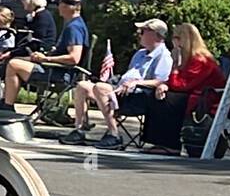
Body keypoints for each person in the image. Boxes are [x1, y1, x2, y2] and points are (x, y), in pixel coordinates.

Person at [60, 18, 174, 149]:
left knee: (101, 88)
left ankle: (114, 134)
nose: (139, 34)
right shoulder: (140, 54)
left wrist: (137, 83)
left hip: (138, 97)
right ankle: (79, 129)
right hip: (121, 91)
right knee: (82, 86)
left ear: (155, 34)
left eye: (142, 31)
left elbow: (161, 81)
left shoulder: (163, 56)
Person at [142, 22, 224, 155]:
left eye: (176, 38)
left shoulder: (202, 60)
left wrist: (175, 66)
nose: (173, 41)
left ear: (185, 39)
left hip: (206, 99)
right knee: (156, 95)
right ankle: (158, 142)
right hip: (191, 95)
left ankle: (171, 144)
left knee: (169, 101)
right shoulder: (189, 59)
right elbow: (175, 83)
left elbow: (182, 85)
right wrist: (163, 85)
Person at [0, 0, 88, 112]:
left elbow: (74, 58)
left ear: (65, 6)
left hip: (60, 74)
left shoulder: (74, 28)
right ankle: (5, 103)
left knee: (13, 65)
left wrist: (46, 59)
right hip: (57, 69)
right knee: (17, 60)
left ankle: (7, 107)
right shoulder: (76, 24)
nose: (58, 8)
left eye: (59, 4)